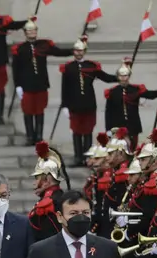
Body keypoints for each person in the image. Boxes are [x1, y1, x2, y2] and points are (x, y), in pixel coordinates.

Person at [11, 18, 71, 145]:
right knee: (28, 111)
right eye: (29, 31)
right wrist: (18, 86)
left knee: (39, 111)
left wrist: (74, 50)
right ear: (25, 33)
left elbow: (59, 52)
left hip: (41, 84)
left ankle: (38, 136)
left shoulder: (43, 45)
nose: (32, 32)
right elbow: (16, 69)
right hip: (26, 85)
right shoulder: (20, 49)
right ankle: (29, 136)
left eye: (34, 30)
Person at [59, 37, 117, 166]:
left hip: (89, 104)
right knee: (76, 132)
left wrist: (119, 76)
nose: (79, 53)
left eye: (81, 51)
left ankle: (87, 158)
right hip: (74, 105)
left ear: (84, 51)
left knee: (88, 132)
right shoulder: (68, 67)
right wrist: (64, 106)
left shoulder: (91, 66)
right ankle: (78, 157)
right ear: (73, 51)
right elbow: (65, 88)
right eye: (76, 50)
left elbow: (105, 77)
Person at [104, 59, 157, 149]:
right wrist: (108, 129)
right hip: (117, 126)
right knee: (119, 150)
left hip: (133, 125)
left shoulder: (136, 89)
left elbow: (149, 95)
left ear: (129, 76)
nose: (123, 78)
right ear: (118, 77)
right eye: (121, 76)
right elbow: (108, 112)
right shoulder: (112, 92)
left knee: (132, 148)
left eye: (125, 76)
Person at [28, 141, 68, 242]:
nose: (34, 183)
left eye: (37, 178)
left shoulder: (50, 204)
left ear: (47, 180)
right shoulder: (56, 198)